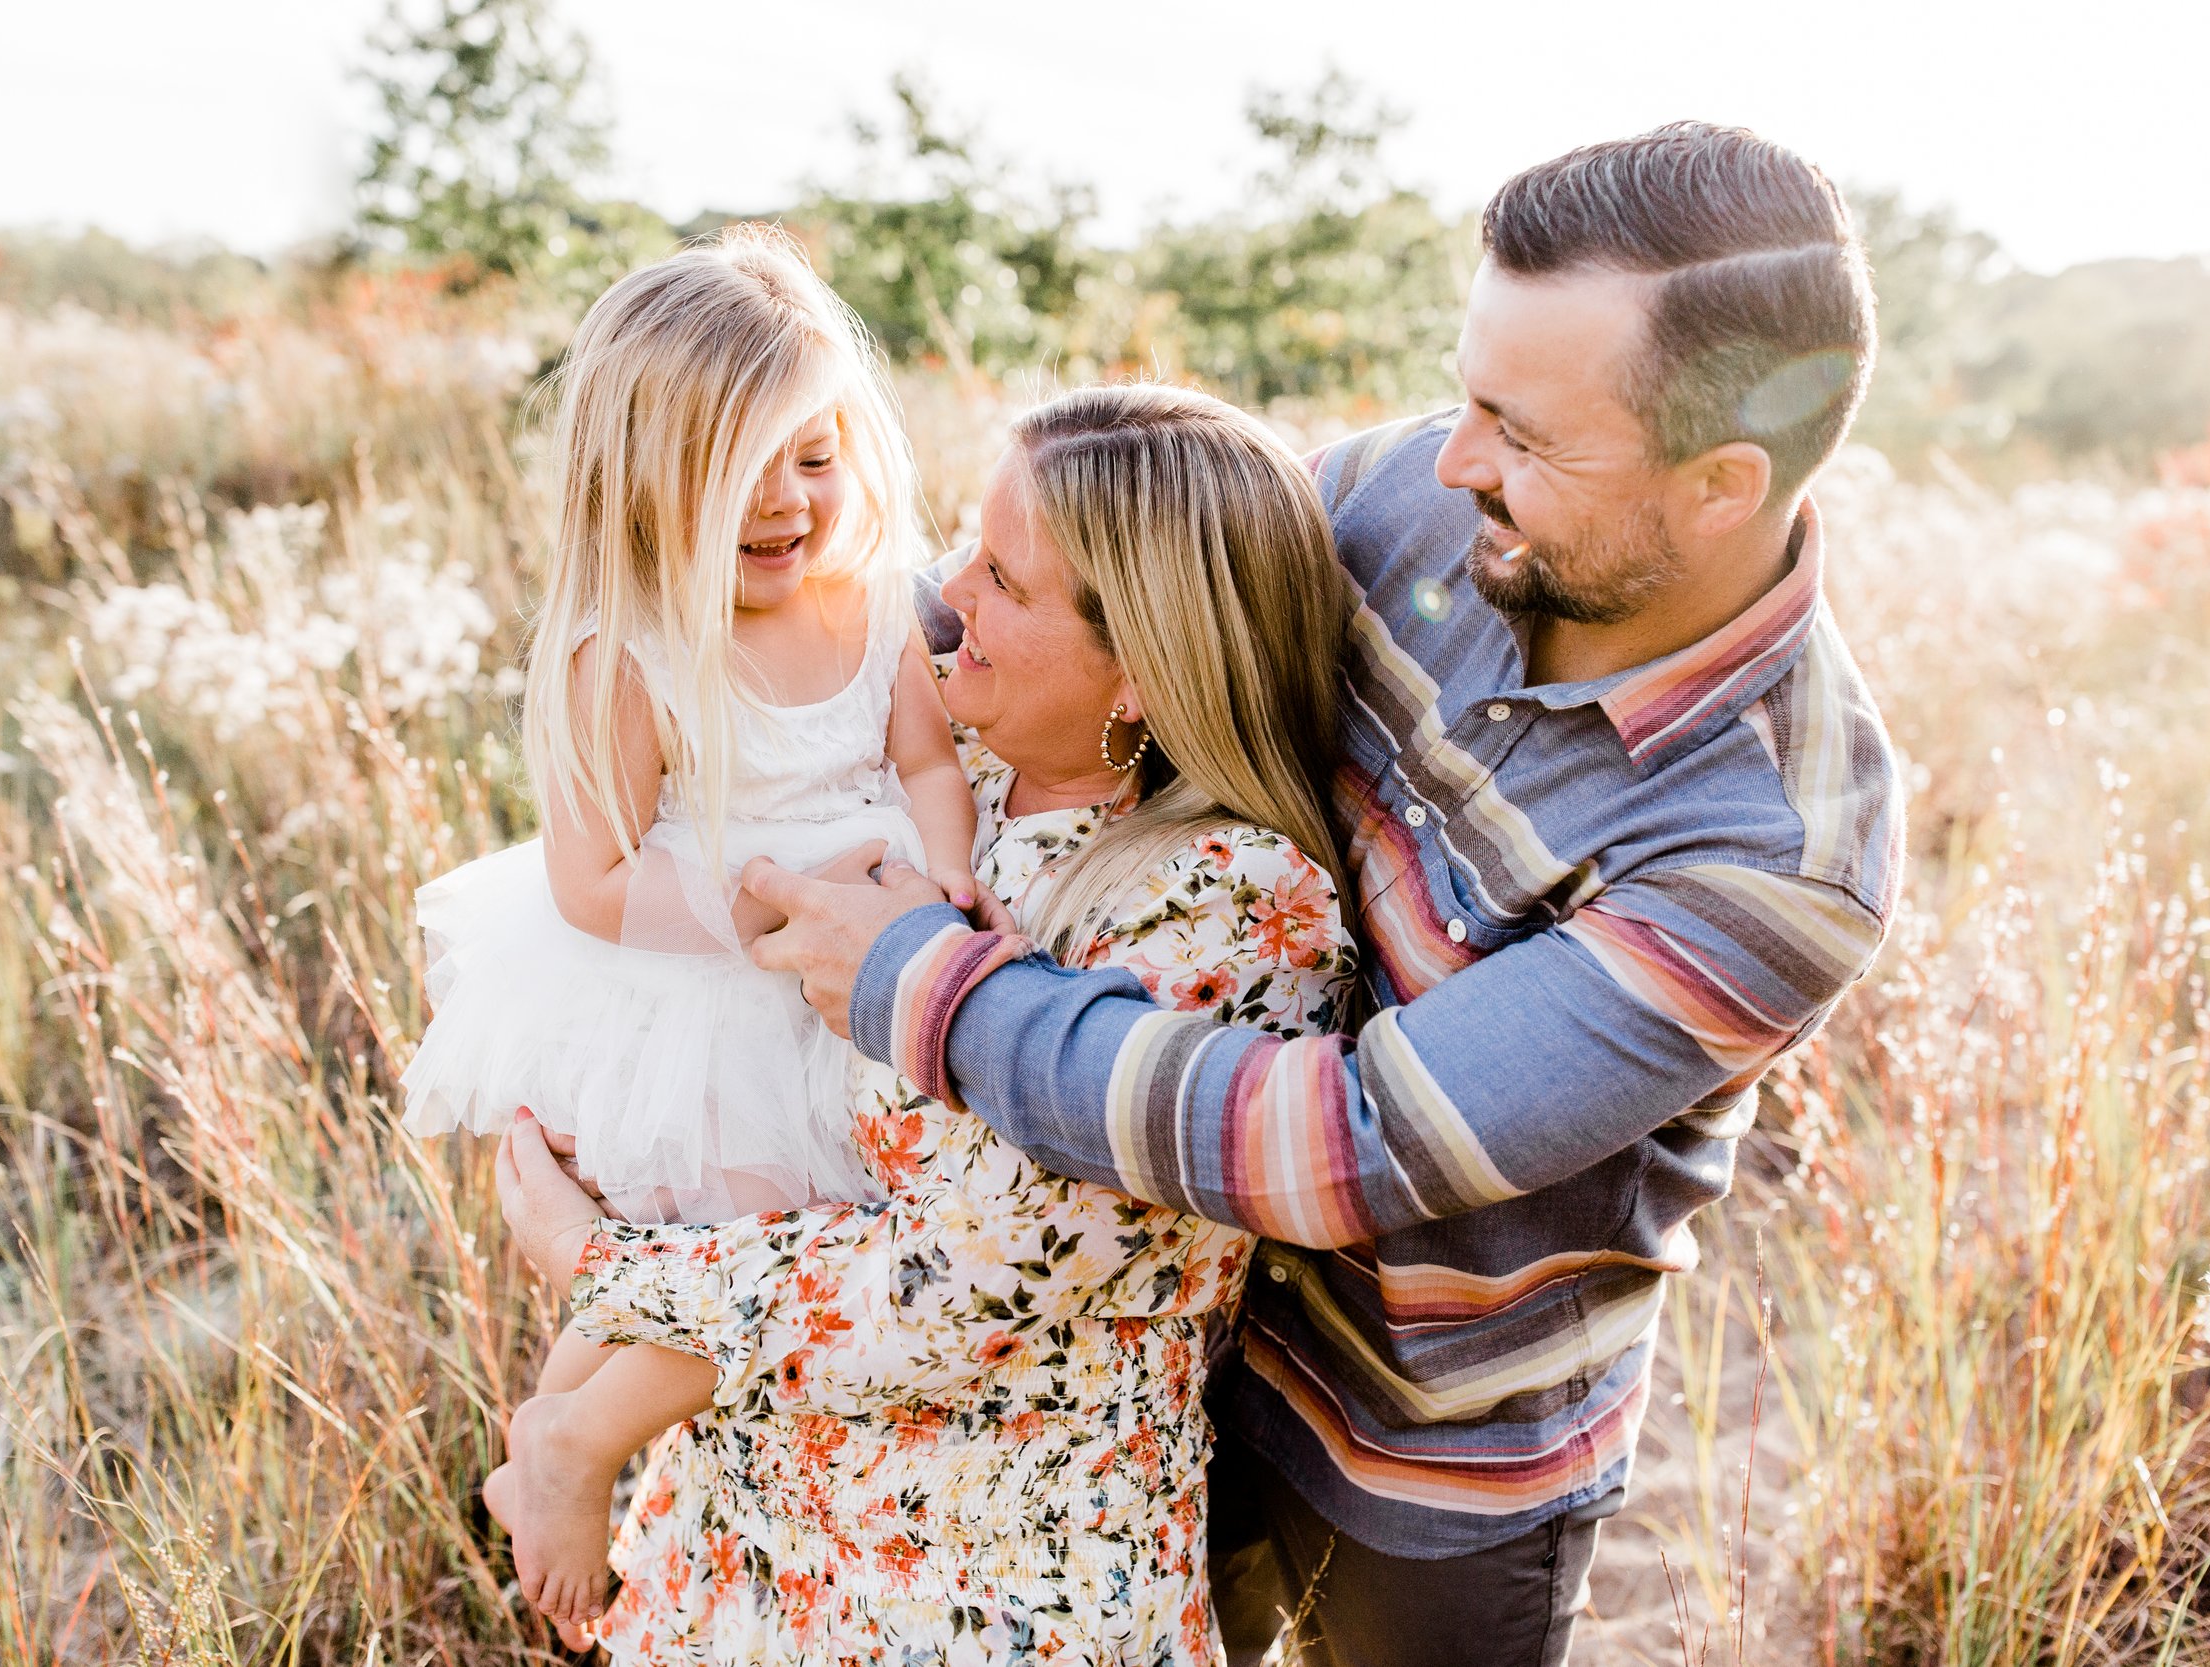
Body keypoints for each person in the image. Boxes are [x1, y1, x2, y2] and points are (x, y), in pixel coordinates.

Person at [730, 124, 1908, 1666]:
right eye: (1467, 391)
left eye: (1525, 434)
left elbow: (1347, 1142)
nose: (1453, 456)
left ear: (1720, 483)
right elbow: (1126, 596)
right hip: (1174, 1335)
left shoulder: (1774, 849)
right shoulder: (1424, 494)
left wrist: (918, 979)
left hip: (1436, 1455)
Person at [495, 383, 1360, 1663]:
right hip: (750, 1532)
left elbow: (961, 1290)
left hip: (983, 1582)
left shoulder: (1230, 905)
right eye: (965, 540)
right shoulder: (947, 793)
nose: (947, 587)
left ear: (1141, 666)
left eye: (1002, 576)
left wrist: (600, 1262)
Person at [399, 226, 984, 1627]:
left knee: (730, 1253)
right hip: (707, 975)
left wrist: (953, 900)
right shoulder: (632, 648)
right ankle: (572, 1436)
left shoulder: (878, 596)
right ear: (640, 486)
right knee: (759, 1233)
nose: (787, 503)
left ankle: (551, 1441)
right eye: (739, 475)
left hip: (870, 942)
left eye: (814, 456)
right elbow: (593, 875)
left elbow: (925, 766)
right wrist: (756, 915)